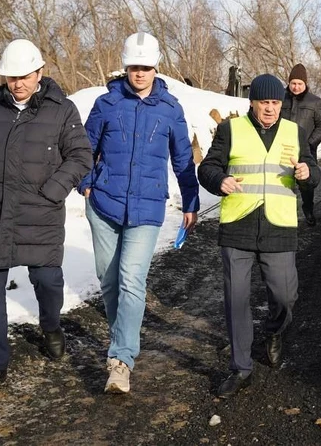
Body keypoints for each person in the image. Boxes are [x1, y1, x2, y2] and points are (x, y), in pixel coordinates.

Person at [0, 39, 93, 393]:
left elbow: (81, 157)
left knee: (48, 280)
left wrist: (53, 191)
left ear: (40, 72)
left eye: (24, 76)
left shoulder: (62, 110)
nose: (18, 83)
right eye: (11, 77)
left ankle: (51, 325)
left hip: (40, 212)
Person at [78, 32, 200, 394]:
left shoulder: (170, 109)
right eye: (134, 67)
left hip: (146, 209)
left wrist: (191, 201)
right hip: (103, 204)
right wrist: (85, 181)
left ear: (156, 67)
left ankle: (121, 360)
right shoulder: (106, 104)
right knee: (110, 280)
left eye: (146, 67)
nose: (140, 73)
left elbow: (182, 159)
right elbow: (85, 146)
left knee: (132, 279)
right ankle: (123, 336)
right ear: (126, 66)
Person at [198, 74, 320, 399]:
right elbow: (207, 167)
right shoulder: (231, 129)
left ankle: (274, 331)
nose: (270, 109)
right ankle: (240, 368)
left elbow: (313, 172)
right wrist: (219, 179)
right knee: (236, 300)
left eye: (275, 102)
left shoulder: (295, 132)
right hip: (238, 223)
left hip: (278, 227)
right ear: (252, 102)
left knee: (284, 296)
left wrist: (307, 174)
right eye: (264, 102)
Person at [281, 64, 321, 225]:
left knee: (306, 184)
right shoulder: (281, 98)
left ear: (305, 84)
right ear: (289, 83)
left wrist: (309, 143)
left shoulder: (315, 102)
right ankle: (283, 213)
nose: (296, 87)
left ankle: (308, 209)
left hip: (306, 150)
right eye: (293, 83)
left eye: (300, 84)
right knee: (283, 181)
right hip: (283, 149)